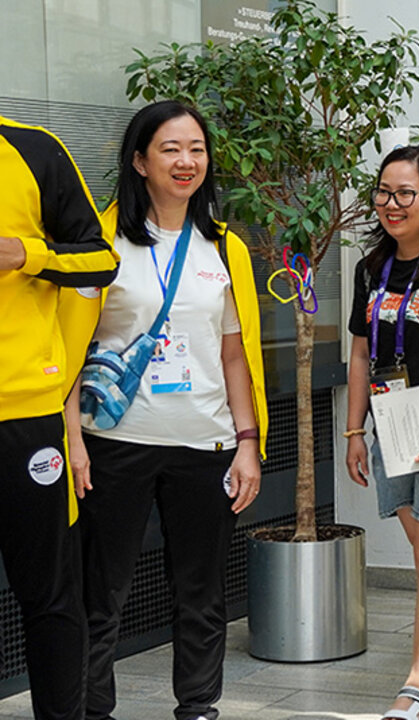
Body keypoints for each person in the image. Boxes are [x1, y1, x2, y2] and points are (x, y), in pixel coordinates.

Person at [63, 100, 266, 720]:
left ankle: (199, 707)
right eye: (171, 149)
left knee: (201, 593)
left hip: (204, 444)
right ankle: (93, 709)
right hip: (113, 442)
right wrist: (71, 437)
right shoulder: (100, 242)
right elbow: (67, 348)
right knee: (103, 592)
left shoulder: (223, 247)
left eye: (197, 149)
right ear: (139, 160)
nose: (186, 161)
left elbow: (235, 355)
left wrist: (249, 442)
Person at [0, 113, 117, 720]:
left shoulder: (32, 149)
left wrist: (26, 253)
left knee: (49, 597)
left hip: (25, 418)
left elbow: (99, 260)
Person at [342, 145, 419, 720]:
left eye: (405, 193)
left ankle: (416, 684)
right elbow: (361, 351)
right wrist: (353, 430)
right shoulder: (371, 270)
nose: (391, 204)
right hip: (391, 419)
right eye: (384, 193)